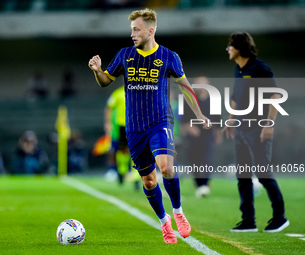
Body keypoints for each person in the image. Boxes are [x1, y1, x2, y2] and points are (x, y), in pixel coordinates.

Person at [88, 8, 211, 243]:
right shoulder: (124, 55)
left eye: (137, 29)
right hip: (134, 128)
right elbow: (105, 82)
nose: (132, 34)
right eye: (131, 29)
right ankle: (165, 222)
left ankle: (178, 212)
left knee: (165, 167)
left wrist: (200, 114)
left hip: (160, 121)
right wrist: (97, 71)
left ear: (150, 31)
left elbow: (185, 87)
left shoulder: (168, 56)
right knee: (149, 181)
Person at [224, 32, 289, 232]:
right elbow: (236, 96)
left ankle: (280, 217)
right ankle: (248, 221)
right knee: (242, 176)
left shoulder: (259, 68)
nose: (227, 48)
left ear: (239, 48)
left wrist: (269, 125)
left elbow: (275, 95)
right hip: (241, 129)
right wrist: (231, 120)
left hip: (257, 129)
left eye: (230, 45)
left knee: (263, 174)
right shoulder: (239, 68)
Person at [181, 76, 222, 198]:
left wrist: (218, 134)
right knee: (195, 160)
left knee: (206, 159)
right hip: (194, 136)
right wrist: (189, 128)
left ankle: (204, 184)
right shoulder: (189, 100)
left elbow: (217, 119)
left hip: (207, 135)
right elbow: (183, 120)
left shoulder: (213, 100)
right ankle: (199, 183)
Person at [104, 85, 140, 189]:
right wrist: (107, 122)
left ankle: (135, 176)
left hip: (136, 125)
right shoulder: (118, 93)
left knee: (135, 150)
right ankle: (122, 170)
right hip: (121, 125)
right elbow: (109, 108)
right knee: (122, 149)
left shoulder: (139, 92)